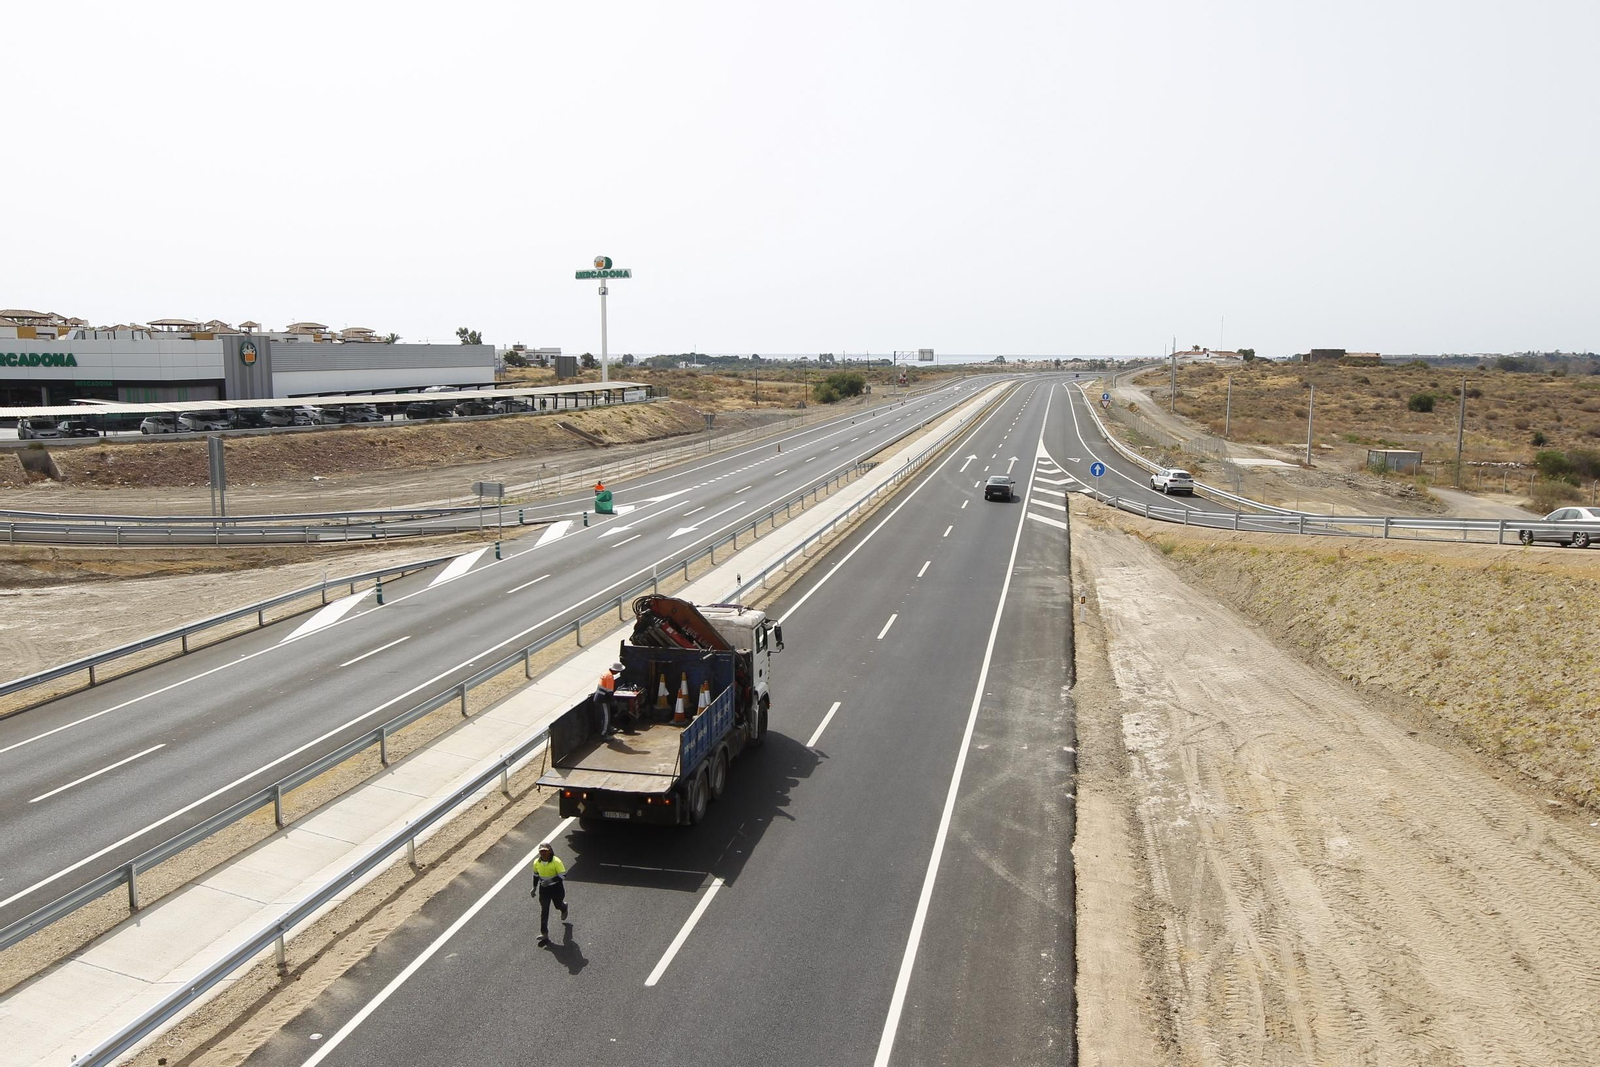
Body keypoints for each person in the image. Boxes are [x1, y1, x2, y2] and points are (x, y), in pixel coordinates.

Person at [530, 842, 568, 946]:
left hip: (556, 889)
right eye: (541, 851)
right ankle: (544, 933)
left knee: (557, 905)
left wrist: (550, 881)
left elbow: (563, 875)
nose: (543, 853)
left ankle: (564, 907)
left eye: (545, 851)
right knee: (544, 911)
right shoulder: (536, 862)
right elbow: (535, 875)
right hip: (544, 890)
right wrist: (534, 887)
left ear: (550, 851)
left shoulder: (556, 861)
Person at [595, 660, 623, 736]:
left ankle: (608, 728)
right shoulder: (610, 677)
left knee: (607, 715)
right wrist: (614, 701)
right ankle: (604, 734)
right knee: (606, 717)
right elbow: (609, 692)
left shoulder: (606, 673)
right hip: (602, 699)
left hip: (601, 698)